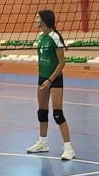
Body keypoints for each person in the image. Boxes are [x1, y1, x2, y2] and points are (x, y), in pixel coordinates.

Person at [26, 9, 75, 161]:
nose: (35, 20)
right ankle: (43, 143)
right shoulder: (41, 36)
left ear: (44, 20)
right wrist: (43, 79)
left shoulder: (55, 37)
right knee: (42, 112)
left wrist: (50, 80)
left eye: (37, 18)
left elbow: (62, 63)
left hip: (54, 79)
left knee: (58, 113)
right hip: (42, 78)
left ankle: (68, 148)